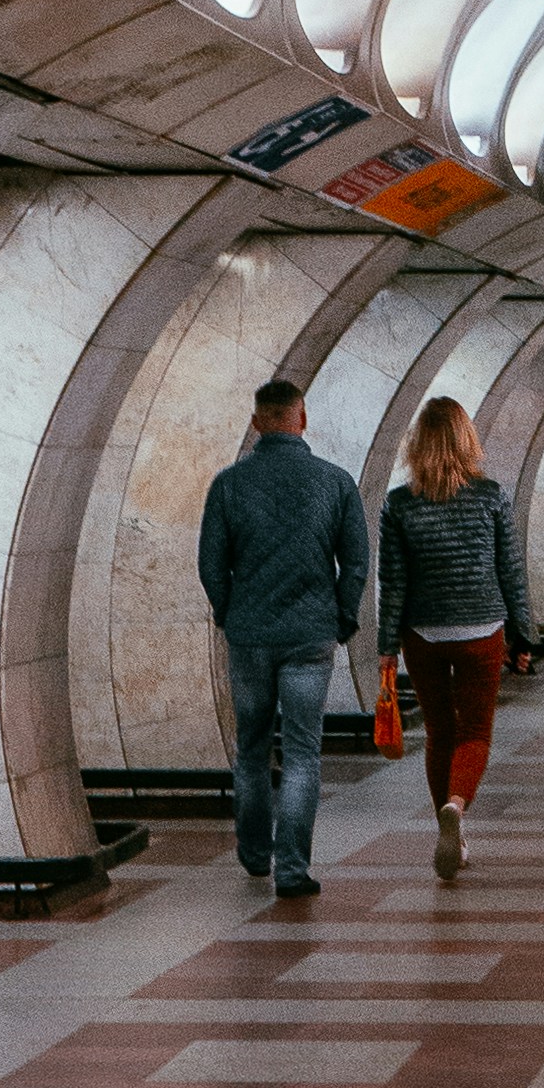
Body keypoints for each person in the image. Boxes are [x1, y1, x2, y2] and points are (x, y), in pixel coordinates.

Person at [199, 370, 370, 901]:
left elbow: (210, 564)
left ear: (255, 423)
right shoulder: (336, 482)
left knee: (251, 748)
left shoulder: (229, 484)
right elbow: (357, 562)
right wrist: (341, 617)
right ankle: (292, 870)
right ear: (303, 419)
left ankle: (254, 853)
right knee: (302, 752)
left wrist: (230, 613)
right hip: (310, 636)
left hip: (249, 636)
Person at [376, 393, 533, 883]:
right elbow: (511, 570)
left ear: (417, 444)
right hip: (483, 628)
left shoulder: (399, 503)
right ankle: (456, 805)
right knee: (476, 732)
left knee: (440, 731)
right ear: (467, 440)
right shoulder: (491, 496)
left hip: (421, 633)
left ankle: (451, 832)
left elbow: (393, 580)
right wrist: (525, 634)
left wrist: (386, 644)